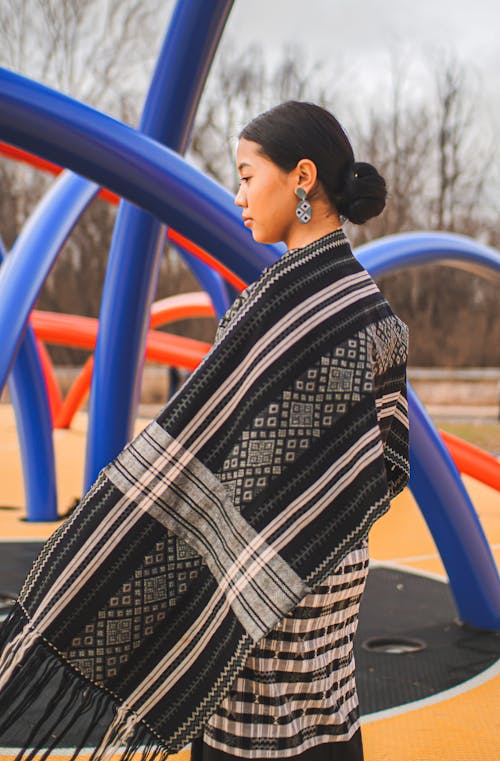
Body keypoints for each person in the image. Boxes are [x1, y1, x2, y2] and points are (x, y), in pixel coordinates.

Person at [0, 102, 409, 761]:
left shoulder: (266, 310)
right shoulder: (379, 318)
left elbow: (200, 455)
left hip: (251, 588)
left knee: (246, 731)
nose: (239, 195)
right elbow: (382, 465)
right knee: (326, 725)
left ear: (301, 177)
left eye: (247, 176)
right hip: (332, 579)